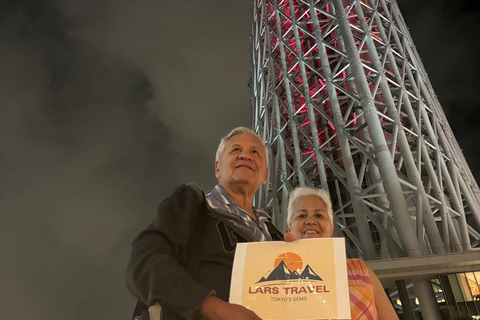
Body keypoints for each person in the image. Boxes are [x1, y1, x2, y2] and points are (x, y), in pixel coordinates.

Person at [126, 127, 283, 320]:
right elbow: (144, 262)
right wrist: (212, 307)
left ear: (265, 175)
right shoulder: (193, 206)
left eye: (255, 152)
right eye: (235, 150)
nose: (245, 156)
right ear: (217, 168)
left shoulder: (275, 235)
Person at [285, 187, 399, 320]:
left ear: (331, 227)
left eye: (319, 215)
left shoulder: (362, 272)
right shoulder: (277, 279)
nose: (310, 221)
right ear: (289, 228)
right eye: (302, 215)